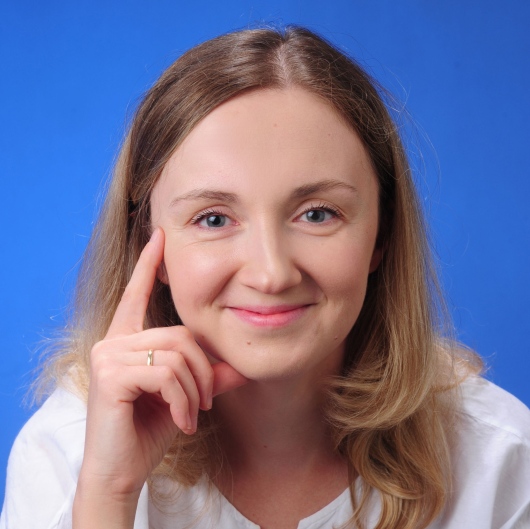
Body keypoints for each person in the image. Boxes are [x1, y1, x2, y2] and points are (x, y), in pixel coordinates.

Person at [1, 25, 529, 529]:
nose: (271, 274)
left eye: (317, 214)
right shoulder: (65, 456)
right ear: (148, 246)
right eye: (213, 219)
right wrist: (108, 495)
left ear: (381, 236)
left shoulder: (500, 460)